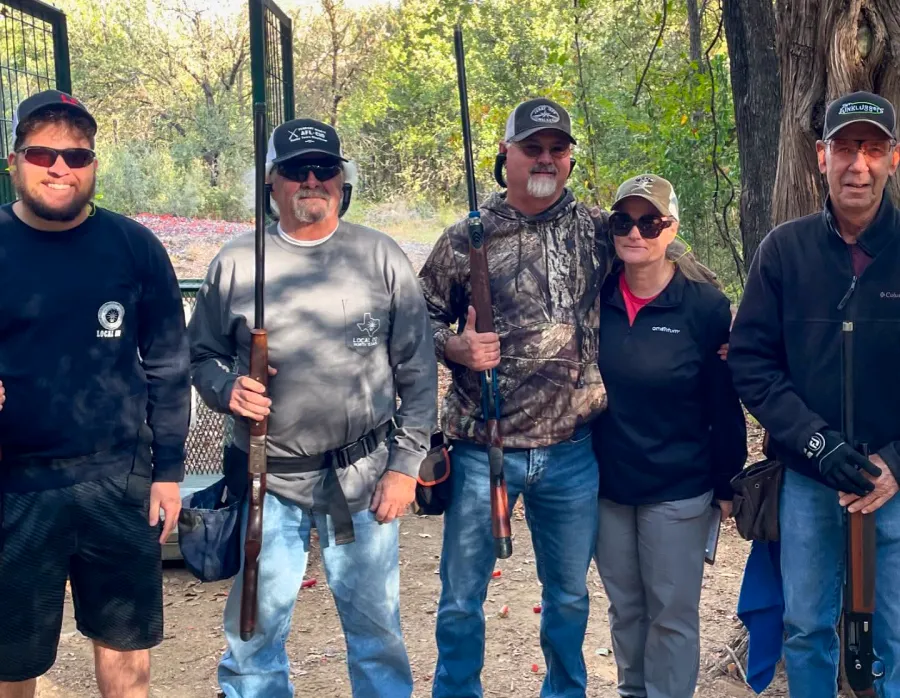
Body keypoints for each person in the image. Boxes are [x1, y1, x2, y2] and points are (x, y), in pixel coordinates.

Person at [188, 117, 438, 698]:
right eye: (295, 170)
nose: (311, 180)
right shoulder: (235, 263)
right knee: (255, 634)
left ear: (341, 179)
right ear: (271, 181)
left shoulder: (381, 257)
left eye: (324, 169)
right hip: (265, 478)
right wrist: (227, 389)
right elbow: (198, 356)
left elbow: (418, 373)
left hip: (365, 476)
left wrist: (405, 467)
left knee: (377, 631)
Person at [0, 90, 189, 698]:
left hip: (120, 479)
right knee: (13, 657)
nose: (60, 167)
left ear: (94, 165)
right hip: (14, 486)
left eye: (77, 156)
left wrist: (168, 473)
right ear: (14, 160)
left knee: (124, 643)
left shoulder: (133, 248)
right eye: (43, 152)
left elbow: (167, 364)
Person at [419, 98, 609, 698]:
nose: (545, 159)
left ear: (570, 158)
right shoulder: (467, 236)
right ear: (506, 155)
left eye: (557, 148)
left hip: (572, 451)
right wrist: (456, 348)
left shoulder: (601, 231)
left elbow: (664, 277)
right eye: (532, 148)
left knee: (570, 598)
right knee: (459, 600)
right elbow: (414, 321)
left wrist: (720, 334)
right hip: (482, 448)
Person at [728, 90, 900, 697]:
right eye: (846, 148)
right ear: (820, 157)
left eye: (873, 149)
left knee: (897, 633)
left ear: (893, 159)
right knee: (805, 626)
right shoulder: (784, 250)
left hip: (891, 485)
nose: (859, 164)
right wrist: (817, 441)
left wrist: (894, 464)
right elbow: (752, 363)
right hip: (807, 477)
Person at [592, 174, 747, 698]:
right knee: (626, 608)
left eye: (649, 222)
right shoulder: (594, 300)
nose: (635, 233)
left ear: (671, 228)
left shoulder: (703, 306)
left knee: (672, 615)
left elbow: (723, 402)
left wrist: (728, 484)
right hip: (607, 485)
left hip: (679, 489)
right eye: (623, 221)